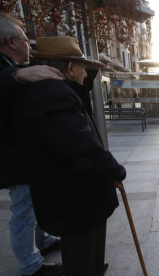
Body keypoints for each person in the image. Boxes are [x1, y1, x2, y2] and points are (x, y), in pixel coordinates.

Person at [12, 36, 126, 276]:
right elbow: (81, 145)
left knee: (89, 253)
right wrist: (115, 170)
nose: (85, 73)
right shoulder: (53, 95)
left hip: (74, 195)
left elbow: (80, 95)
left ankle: (92, 267)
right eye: (83, 68)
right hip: (75, 198)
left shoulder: (52, 90)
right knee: (81, 258)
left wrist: (91, 70)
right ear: (71, 67)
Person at [0, 13, 66, 276]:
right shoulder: (10, 72)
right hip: (14, 157)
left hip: (27, 154)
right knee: (24, 211)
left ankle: (45, 241)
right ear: (11, 41)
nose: (30, 45)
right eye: (26, 39)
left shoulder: (13, 69)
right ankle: (30, 266)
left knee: (35, 203)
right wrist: (18, 75)